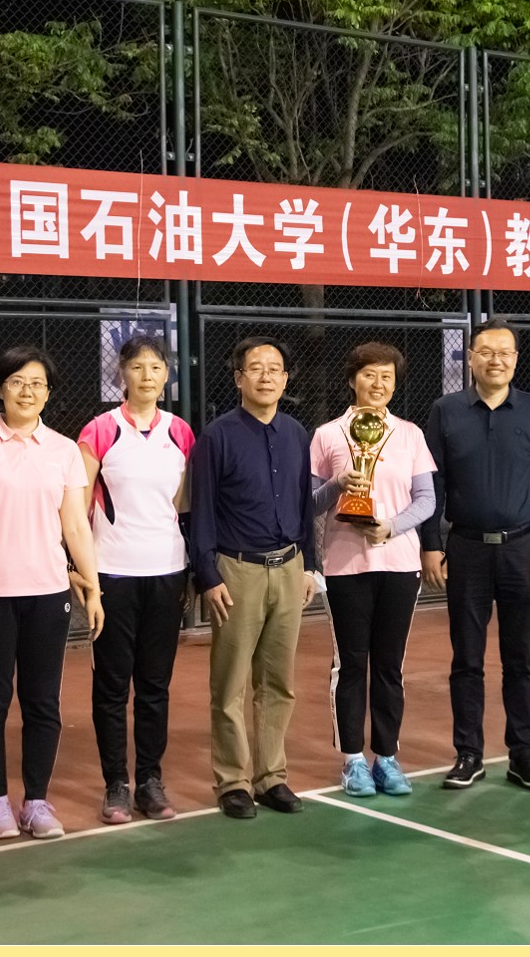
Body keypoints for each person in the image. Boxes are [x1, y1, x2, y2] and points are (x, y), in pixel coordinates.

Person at [0, 346, 104, 840]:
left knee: (42, 702)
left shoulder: (63, 451)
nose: (27, 391)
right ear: (0, 388)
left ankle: (36, 802)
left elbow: (76, 526)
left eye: (37, 383)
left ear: (49, 393)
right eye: (17, 382)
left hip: (48, 594)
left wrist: (94, 589)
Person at [421, 318, 530, 791]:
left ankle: (524, 755)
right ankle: (469, 754)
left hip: (522, 549)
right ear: (471, 359)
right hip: (466, 550)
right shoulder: (446, 411)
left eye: (505, 352)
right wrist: (431, 545)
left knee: (520, 660)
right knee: (467, 659)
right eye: (486, 351)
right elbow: (433, 484)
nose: (495, 360)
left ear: (516, 360)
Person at [189, 336, 319, 819]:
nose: (266, 376)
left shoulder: (296, 433)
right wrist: (208, 574)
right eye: (256, 367)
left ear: (285, 379)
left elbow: (304, 505)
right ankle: (233, 782)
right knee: (230, 684)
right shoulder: (217, 436)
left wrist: (310, 564)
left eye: (275, 368)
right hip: (237, 570)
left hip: (288, 568)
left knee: (278, 682)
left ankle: (272, 777)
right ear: (238, 378)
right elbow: (201, 511)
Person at [309, 342, 437, 798]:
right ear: (352, 380)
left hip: (399, 564)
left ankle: (386, 757)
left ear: (395, 384)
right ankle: (352, 761)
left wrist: (391, 527)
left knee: (390, 665)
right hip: (345, 566)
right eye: (369, 375)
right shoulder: (328, 435)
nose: (378, 384)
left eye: (386, 377)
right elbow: (310, 503)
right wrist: (337, 484)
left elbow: (427, 500)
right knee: (350, 664)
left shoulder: (410, 434)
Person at [78, 336, 194, 824]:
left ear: (167, 375)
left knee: (154, 684)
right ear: (121, 374)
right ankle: (115, 785)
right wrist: (83, 574)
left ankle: (149, 780)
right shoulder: (100, 430)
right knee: (111, 686)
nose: (147, 375)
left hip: (167, 572)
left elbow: (183, 505)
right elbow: (76, 506)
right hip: (113, 573)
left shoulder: (180, 431)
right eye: (137, 367)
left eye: (156, 367)